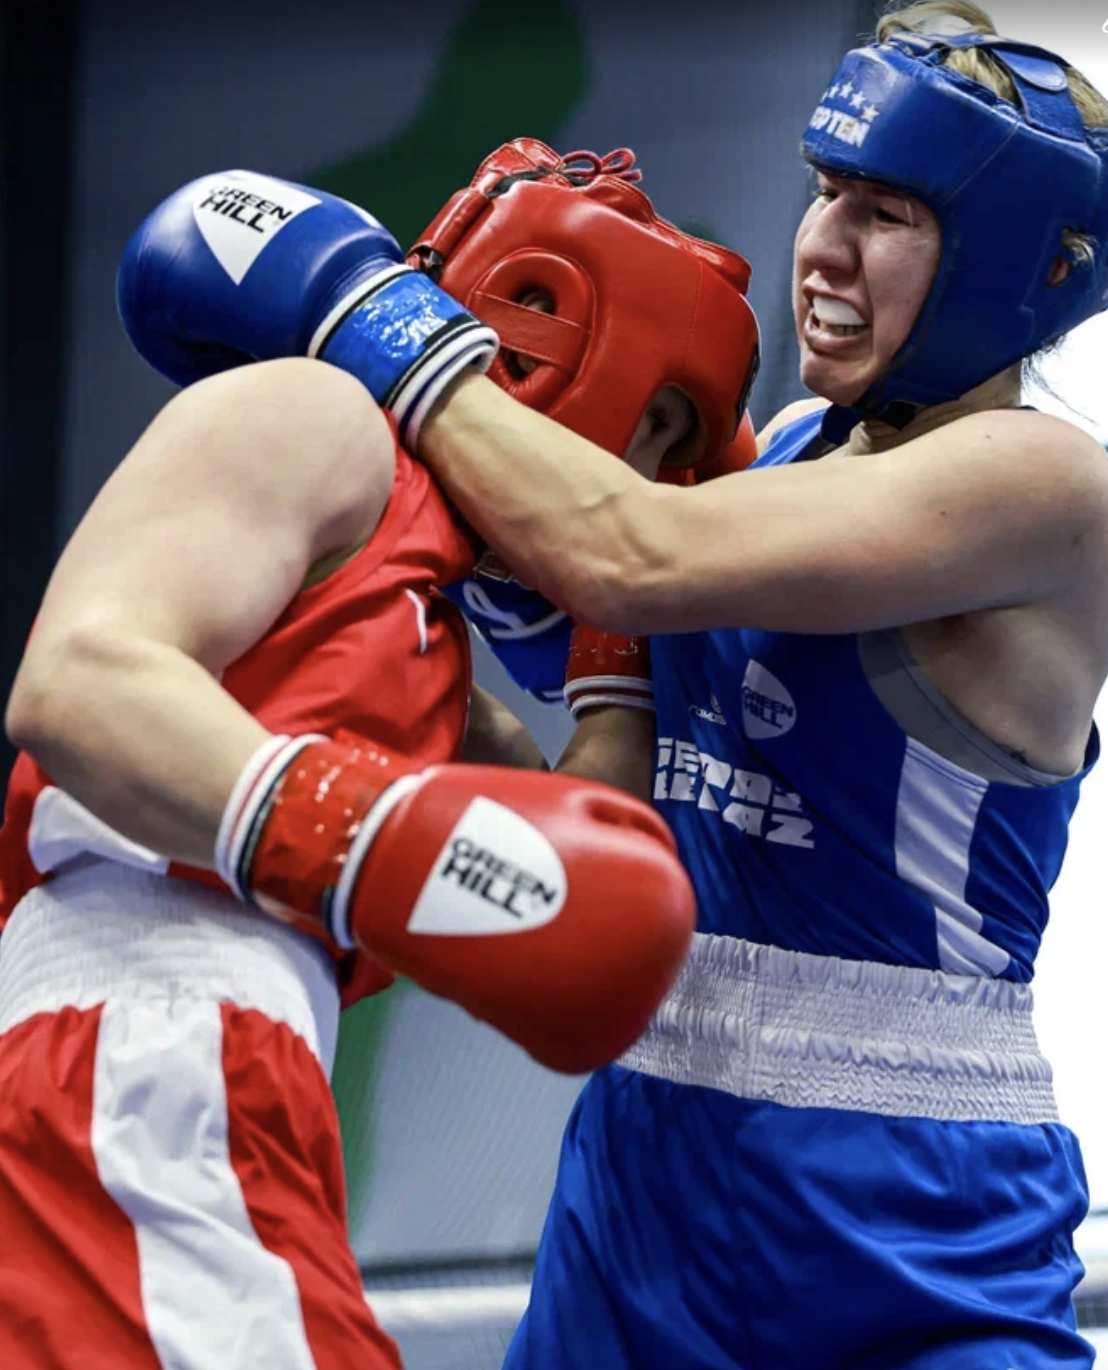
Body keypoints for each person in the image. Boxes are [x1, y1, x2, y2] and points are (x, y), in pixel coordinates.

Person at [141, 5, 1108, 1367]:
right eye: (825, 190)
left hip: (904, 1230)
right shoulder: (781, 454)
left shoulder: (1049, 486)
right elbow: (613, 844)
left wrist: (368, 313)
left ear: (1011, 257)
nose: (824, 246)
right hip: (637, 1189)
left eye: (886, 212)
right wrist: (423, 644)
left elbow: (625, 551)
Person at [0, 141, 763, 1369]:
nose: (646, 481)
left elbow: (564, 886)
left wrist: (617, 670)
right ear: (563, 352)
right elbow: (80, 679)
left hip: (215, 1100)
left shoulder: (413, 630)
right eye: (662, 429)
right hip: (142, 1081)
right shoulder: (317, 417)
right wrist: (357, 831)